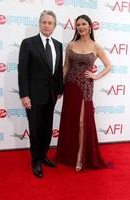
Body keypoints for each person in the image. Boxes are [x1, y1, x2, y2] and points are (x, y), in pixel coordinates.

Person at [56, 14, 112, 172]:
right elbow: (65, 67)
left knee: (82, 122)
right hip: (70, 86)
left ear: (90, 26)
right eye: (78, 25)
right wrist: (60, 86)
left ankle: (80, 157)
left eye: (83, 24)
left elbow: (108, 65)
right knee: (70, 121)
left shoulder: (96, 46)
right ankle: (68, 154)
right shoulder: (71, 44)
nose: (80, 27)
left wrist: (96, 75)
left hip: (86, 87)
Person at [18, 10, 63, 178]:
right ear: (39, 23)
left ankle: (44, 156)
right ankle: (35, 161)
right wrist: (24, 95)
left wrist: (59, 89)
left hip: (51, 95)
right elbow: (23, 71)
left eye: (50, 23)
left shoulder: (58, 44)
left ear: (54, 26)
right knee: (35, 130)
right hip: (33, 97)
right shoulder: (28, 43)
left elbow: (57, 70)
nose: (47, 25)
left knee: (47, 129)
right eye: (44, 22)